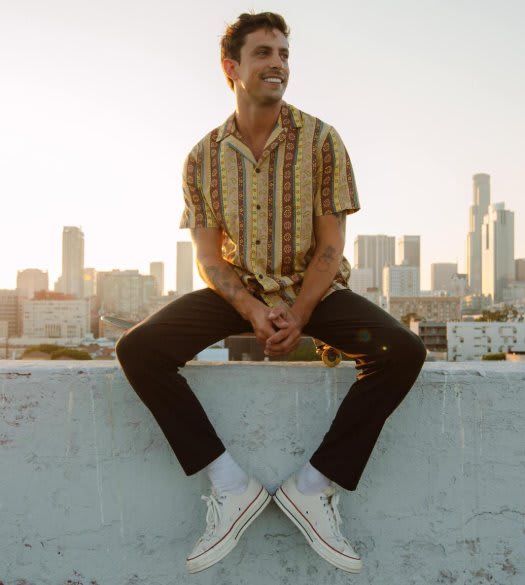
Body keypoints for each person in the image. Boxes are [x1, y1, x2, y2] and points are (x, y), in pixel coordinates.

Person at [116, 11, 426, 575]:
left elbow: (331, 246)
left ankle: (314, 486)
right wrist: (254, 310)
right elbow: (210, 258)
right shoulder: (201, 158)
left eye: (283, 53)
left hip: (316, 289)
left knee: (403, 351)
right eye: (264, 53)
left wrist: (299, 312)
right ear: (231, 67)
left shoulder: (323, 140)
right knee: (138, 350)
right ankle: (231, 487)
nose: (278, 64)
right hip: (241, 291)